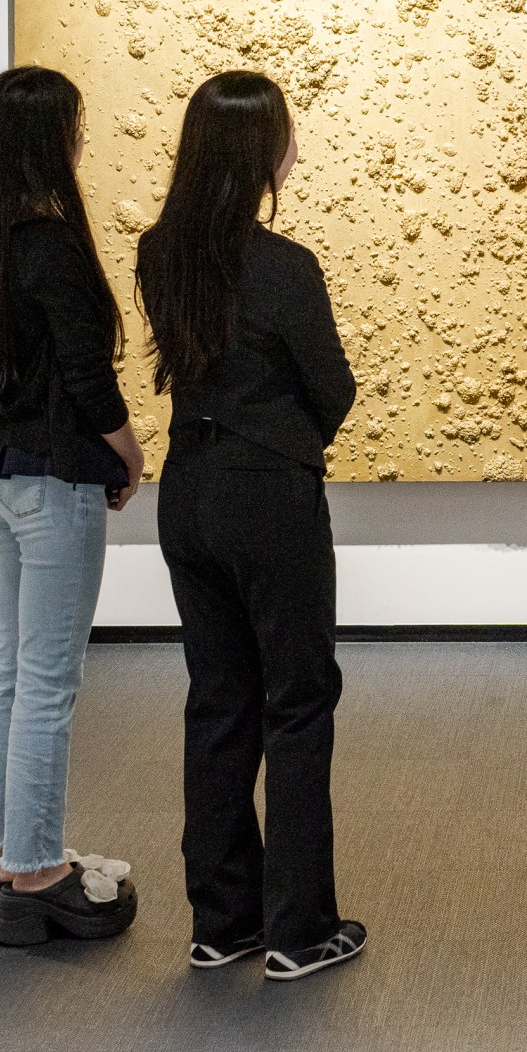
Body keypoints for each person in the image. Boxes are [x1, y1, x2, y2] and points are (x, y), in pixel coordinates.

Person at [136, 71, 365, 982]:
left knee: (219, 697)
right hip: (268, 491)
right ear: (260, 150)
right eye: (287, 131)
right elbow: (333, 387)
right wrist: (290, 439)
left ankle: (222, 917)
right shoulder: (285, 266)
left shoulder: (161, 252)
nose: (295, 144)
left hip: (186, 489)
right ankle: (298, 927)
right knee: (299, 699)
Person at [0, 65, 145, 946]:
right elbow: (86, 374)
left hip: (1, 472)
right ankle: (37, 873)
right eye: (73, 126)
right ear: (47, 141)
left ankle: (9, 862)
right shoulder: (55, 242)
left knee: (14, 670)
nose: (80, 141)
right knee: (47, 683)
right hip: (56, 479)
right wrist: (130, 449)